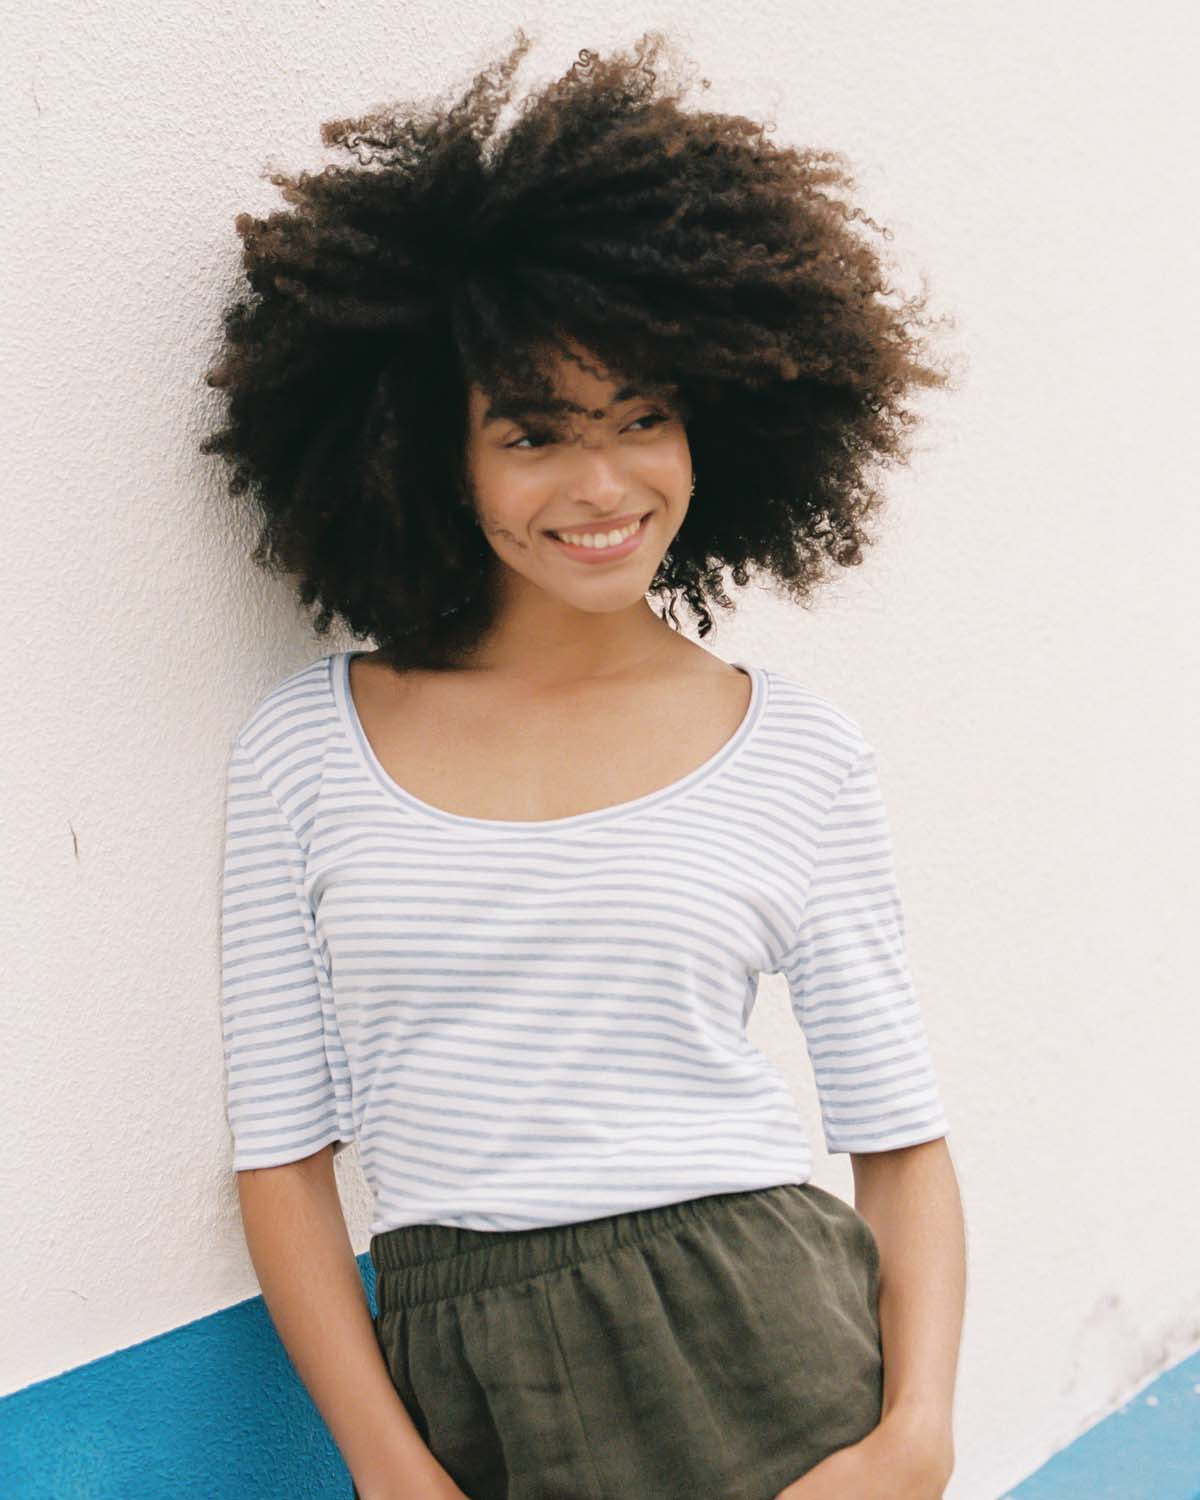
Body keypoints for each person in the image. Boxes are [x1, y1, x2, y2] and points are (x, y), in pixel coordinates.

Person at [203, 29, 966, 1500]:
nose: (602, 486)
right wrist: (389, 1468)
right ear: (431, 450)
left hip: (777, 1357)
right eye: (534, 432)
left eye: (642, 417)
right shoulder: (306, 747)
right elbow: (282, 1158)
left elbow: (901, 1137)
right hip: (469, 1381)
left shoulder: (797, 751)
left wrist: (914, 1438)